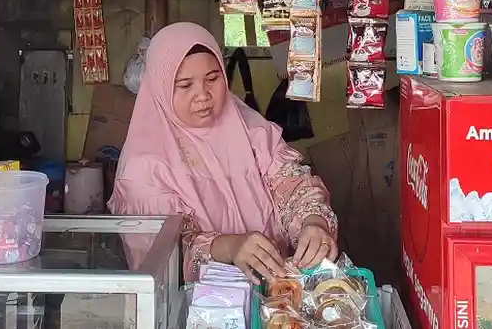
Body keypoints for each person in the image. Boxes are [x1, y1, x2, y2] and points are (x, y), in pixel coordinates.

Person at [108, 22, 338, 283]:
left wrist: (313, 221)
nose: (203, 95)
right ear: (160, 88)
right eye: (185, 85)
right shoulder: (144, 166)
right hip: (197, 309)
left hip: (275, 294)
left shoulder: (251, 129)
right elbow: (160, 253)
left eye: (212, 78)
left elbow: (292, 184)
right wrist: (228, 247)